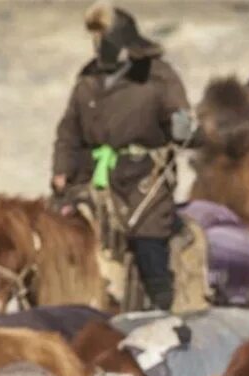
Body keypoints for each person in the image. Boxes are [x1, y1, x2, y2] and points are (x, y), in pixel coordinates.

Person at [52, 3, 191, 311]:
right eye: (95, 39)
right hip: (92, 179)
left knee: (147, 244)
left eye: (103, 38)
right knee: (59, 233)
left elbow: (180, 119)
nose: (98, 46)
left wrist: (182, 126)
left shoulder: (157, 76)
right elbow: (69, 130)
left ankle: (163, 312)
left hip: (143, 179)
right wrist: (62, 170)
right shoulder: (87, 78)